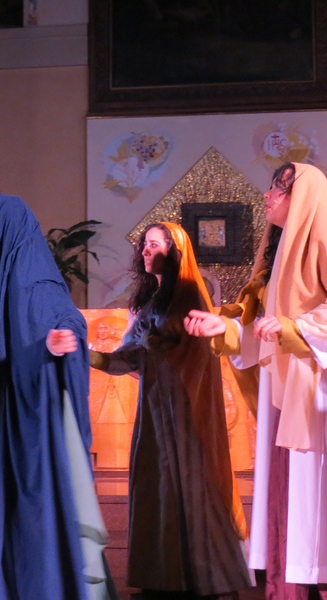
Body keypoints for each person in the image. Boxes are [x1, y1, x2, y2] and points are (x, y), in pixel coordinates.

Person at [185, 162, 327, 600]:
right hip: (291, 391)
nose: (269, 195)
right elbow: (264, 324)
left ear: (304, 196)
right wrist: (227, 328)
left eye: (280, 188)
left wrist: (298, 328)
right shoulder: (279, 256)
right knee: (295, 496)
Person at [90, 221, 252, 598]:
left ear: (174, 252)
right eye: (144, 245)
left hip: (186, 410)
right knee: (157, 486)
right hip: (155, 411)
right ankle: (164, 577)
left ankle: (208, 578)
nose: (146, 251)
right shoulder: (149, 303)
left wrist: (158, 346)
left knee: (193, 486)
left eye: (154, 245)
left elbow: (195, 352)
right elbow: (130, 357)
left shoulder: (190, 296)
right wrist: (93, 357)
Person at [0, 195, 112, 600]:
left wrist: (60, 338)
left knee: (33, 511)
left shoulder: (32, 281)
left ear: (4, 231)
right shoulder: (7, 276)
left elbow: (67, 317)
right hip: (8, 409)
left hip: (29, 422)